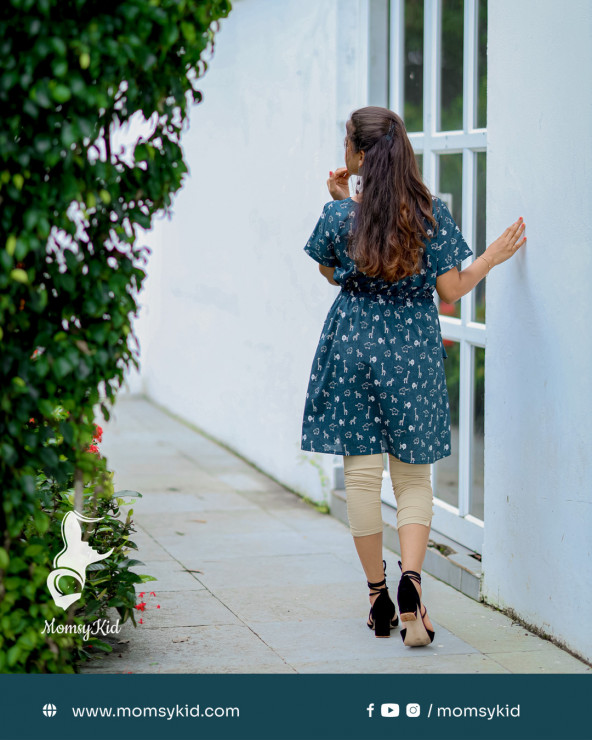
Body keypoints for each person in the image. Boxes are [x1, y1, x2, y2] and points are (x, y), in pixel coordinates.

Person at [300, 106, 527, 646]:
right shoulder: (428, 214)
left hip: (353, 344)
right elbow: (450, 291)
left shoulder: (339, 217)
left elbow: (332, 271)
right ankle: (411, 584)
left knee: (360, 475)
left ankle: (378, 598)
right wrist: (491, 257)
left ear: (358, 154)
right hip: (412, 352)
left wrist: (340, 203)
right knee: (412, 478)